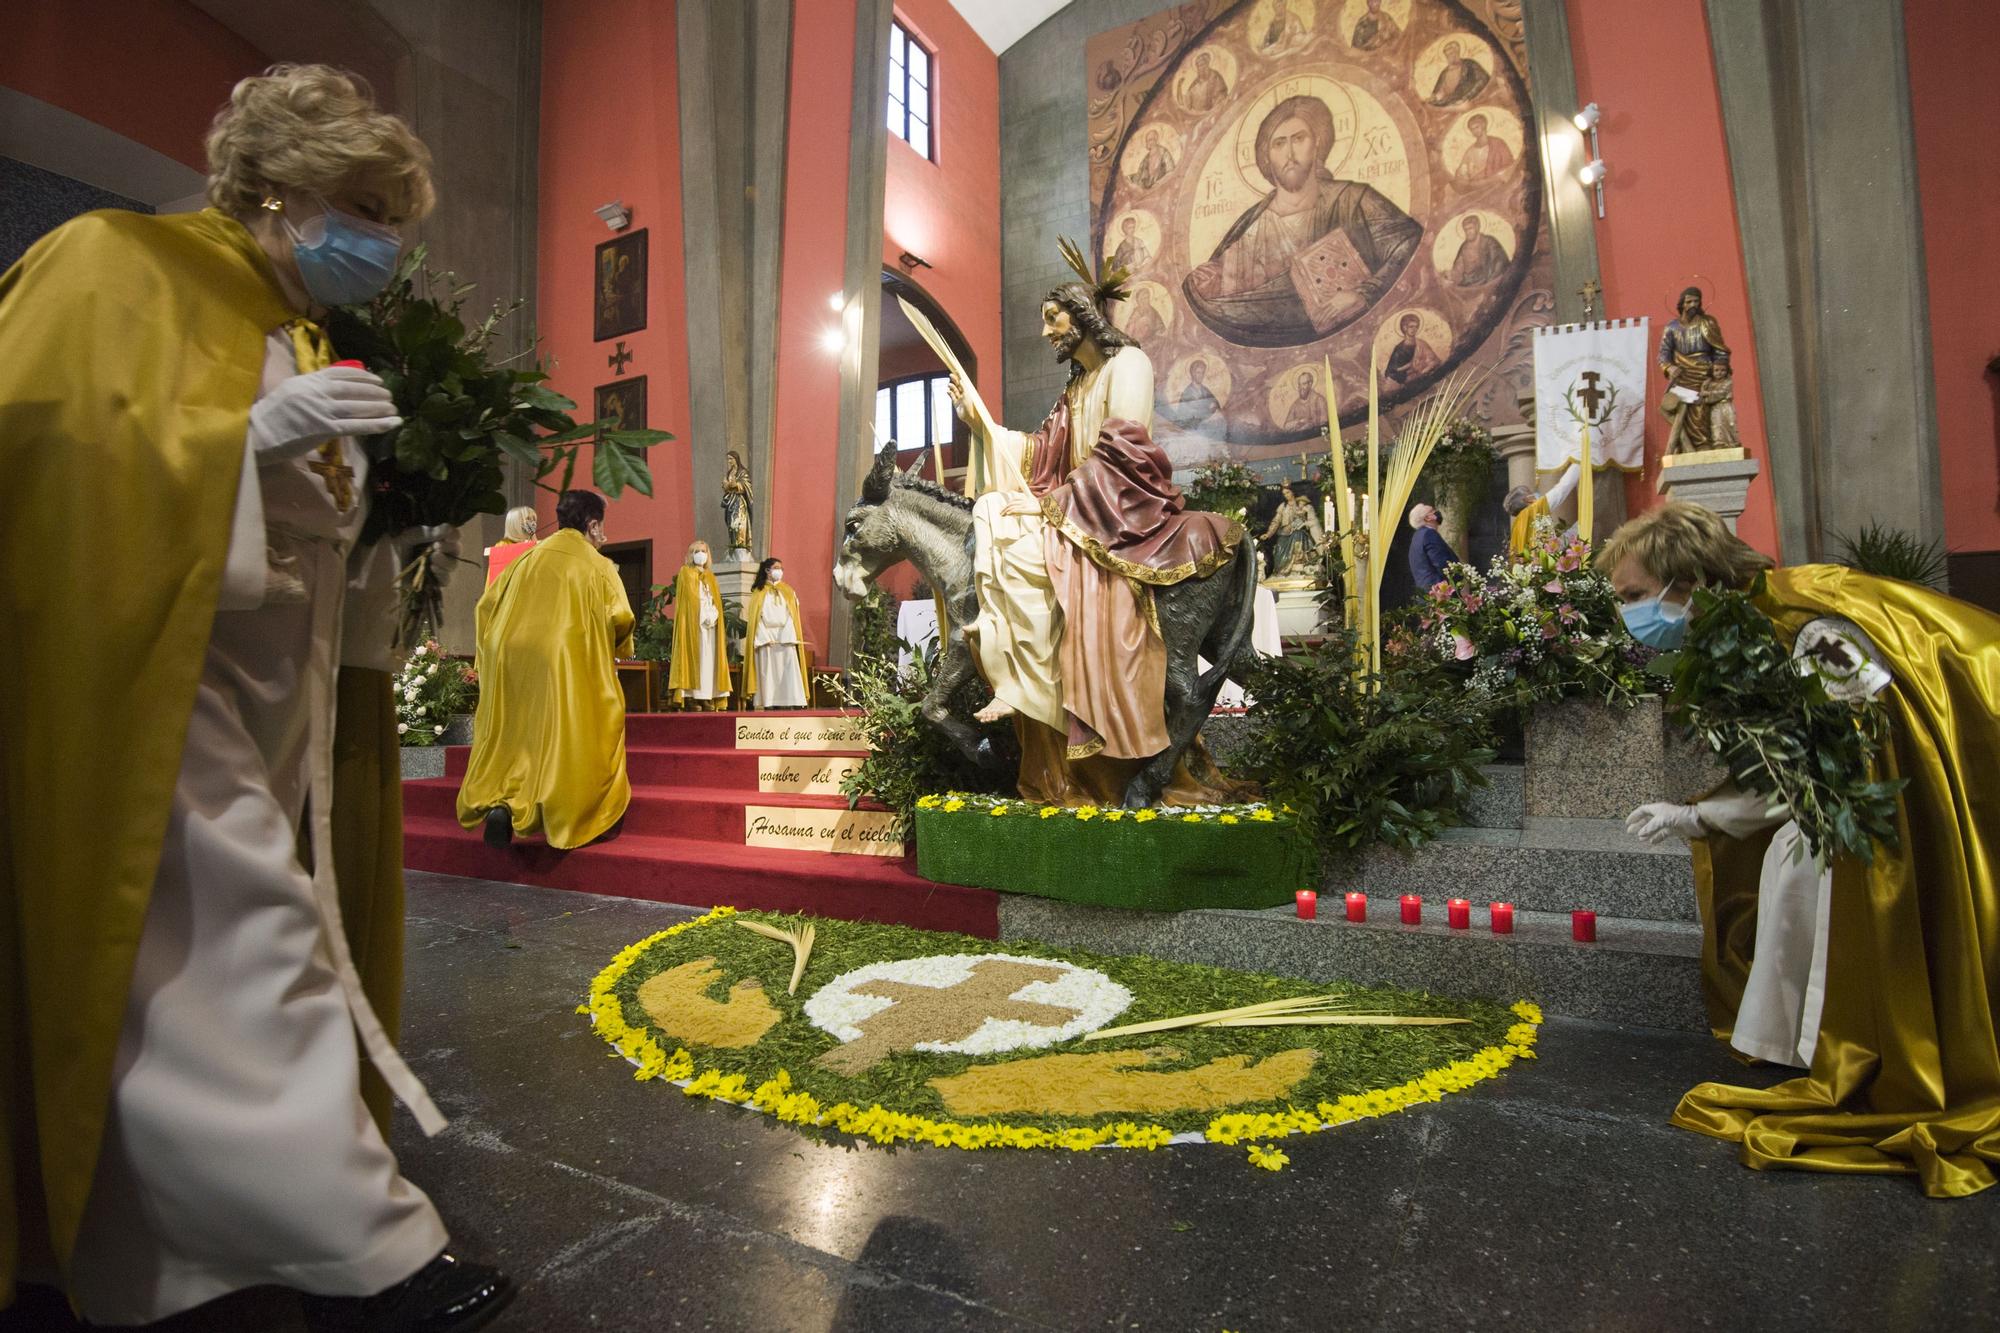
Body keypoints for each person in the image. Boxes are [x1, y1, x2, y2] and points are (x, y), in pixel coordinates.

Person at [0, 63, 512, 1327]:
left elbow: (311, 544)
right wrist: (237, 442)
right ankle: (368, 1250)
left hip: (264, 706)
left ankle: (145, 1241)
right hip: (147, 686)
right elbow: (40, 447)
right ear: (276, 191)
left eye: (396, 219)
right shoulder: (110, 263)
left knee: (175, 980)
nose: (383, 245)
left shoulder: (295, 330)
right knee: (251, 951)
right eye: (363, 208)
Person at [1601, 501, 2000, 1197]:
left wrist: (1705, 816)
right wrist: (1700, 817)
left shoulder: (1809, 627)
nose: (1628, 613)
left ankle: (1872, 1041)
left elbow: (1869, 754)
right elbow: (1806, 768)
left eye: (1634, 596)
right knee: (1796, 845)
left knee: (1810, 852)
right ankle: (1812, 1037)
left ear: (1687, 582)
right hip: (1860, 790)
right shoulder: (1752, 628)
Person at [950, 254, 1245, 804]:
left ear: (1082, 316)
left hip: (1120, 513)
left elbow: (1123, 458)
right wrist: (982, 424)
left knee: (1021, 537)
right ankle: (1020, 682)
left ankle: (1042, 691)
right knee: (992, 511)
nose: (1045, 332)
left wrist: (1049, 508)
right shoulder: (1077, 387)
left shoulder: (1128, 365)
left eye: (1052, 318)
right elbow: (1041, 455)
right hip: (1079, 509)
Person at [458, 490, 633, 850]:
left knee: (518, 740)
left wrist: (487, 659)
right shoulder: (596, 563)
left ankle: (503, 804)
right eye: (603, 526)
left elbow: (485, 606)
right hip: (563, 658)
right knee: (575, 736)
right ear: (593, 524)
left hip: (511, 657)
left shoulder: (526, 558)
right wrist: (619, 647)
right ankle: (574, 814)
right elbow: (621, 616)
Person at [1184, 94, 1421, 345]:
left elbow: (1407, 245)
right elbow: (1227, 284)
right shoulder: (1251, 223)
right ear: (1266, 155)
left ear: (1317, 143)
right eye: (1278, 144)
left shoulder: (1354, 199)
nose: (1289, 153)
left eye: (1299, 139)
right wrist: (1211, 280)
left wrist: (1366, 293)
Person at [668, 538, 732, 709]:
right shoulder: (685, 573)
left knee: (709, 660)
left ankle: (706, 696)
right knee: (696, 657)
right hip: (694, 624)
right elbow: (690, 600)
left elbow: (715, 600)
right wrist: (703, 614)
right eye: (697, 552)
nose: (701, 555)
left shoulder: (710, 577)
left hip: (710, 624)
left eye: (704, 551)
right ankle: (692, 698)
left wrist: (714, 614)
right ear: (691, 555)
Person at [744, 557, 810, 709]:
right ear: (767, 570)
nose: (779, 571)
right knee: (769, 673)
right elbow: (756, 617)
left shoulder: (788, 591)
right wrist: (764, 636)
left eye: (781, 568)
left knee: (787, 670)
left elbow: (792, 615)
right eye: (776, 568)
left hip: (784, 636)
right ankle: (768, 702)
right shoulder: (759, 592)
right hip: (766, 638)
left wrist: (786, 634)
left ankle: (788, 701)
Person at [1504, 461, 1581, 556]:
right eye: (1530, 493)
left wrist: (1579, 526)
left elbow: (1553, 547)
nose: (1536, 495)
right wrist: (1579, 460)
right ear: (1527, 499)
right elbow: (1562, 489)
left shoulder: (1518, 525)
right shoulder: (1532, 510)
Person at [1261, 482, 1325, 577]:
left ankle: (1299, 566)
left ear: (1293, 492)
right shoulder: (1283, 506)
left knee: (1298, 535)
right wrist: (1268, 534)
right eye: (1284, 494)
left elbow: (1310, 520)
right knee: (1279, 550)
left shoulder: (1301, 504)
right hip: (1284, 534)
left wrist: (1302, 523)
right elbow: (1276, 521)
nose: (1286, 495)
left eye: (1288, 492)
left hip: (1298, 532)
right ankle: (1283, 570)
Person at [1447, 214, 1510, 286]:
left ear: (1477, 227)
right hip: (1467, 283)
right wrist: (1451, 275)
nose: (1468, 232)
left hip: (1486, 281)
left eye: (1470, 228)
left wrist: (1490, 281)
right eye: (1466, 229)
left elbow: (1499, 262)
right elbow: (1458, 268)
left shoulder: (1489, 241)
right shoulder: (1464, 247)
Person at [1452, 113, 1515, 186]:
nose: (1474, 131)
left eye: (1477, 127)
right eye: (1471, 129)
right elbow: (1461, 170)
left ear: (1484, 126)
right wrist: (1462, 176)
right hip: (1475, 186)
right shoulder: (1470, 150)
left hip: (1496, 184)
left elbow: (1509, 165)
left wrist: (1488, 180)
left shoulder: (1498, 143)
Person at [1406, 502, 1457, 590]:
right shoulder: (1429, 534)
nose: (1437, 512)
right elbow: (1442, 563)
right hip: (1439, 592)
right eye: (1433, 511)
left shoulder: (1417, 536)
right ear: (1428, 518)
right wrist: (1457, 579)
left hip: (1426, 591)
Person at [1382, 312, 1440, 388]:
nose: (1414, 329)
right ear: (1404, 328)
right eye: (1411, 327)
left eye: (1416, 327)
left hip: (1424, 376)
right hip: (1407, 381)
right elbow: (1391, 371)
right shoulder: (1399, 349)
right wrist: (1410, 366)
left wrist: (1424, 369)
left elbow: (1434, 360)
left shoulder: (1421, 344)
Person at [484, 504, 539, 583]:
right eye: (528, 520)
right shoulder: (503, 545)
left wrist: (533, 536)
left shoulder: (531, 542)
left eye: (534, 520)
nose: (533, 523)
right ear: (515, 523)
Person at [1427, 39, 1491, 106]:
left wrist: (1466, 97)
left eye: (1452, 53)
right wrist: (1434, 97)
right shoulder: (1444, 73)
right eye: (1447, 55)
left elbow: (1483, 79)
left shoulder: (1470, 64)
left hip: (1469, 101)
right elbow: (1439, 92)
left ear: (1458, 52)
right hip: (1449, 103)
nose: (1451, 57)